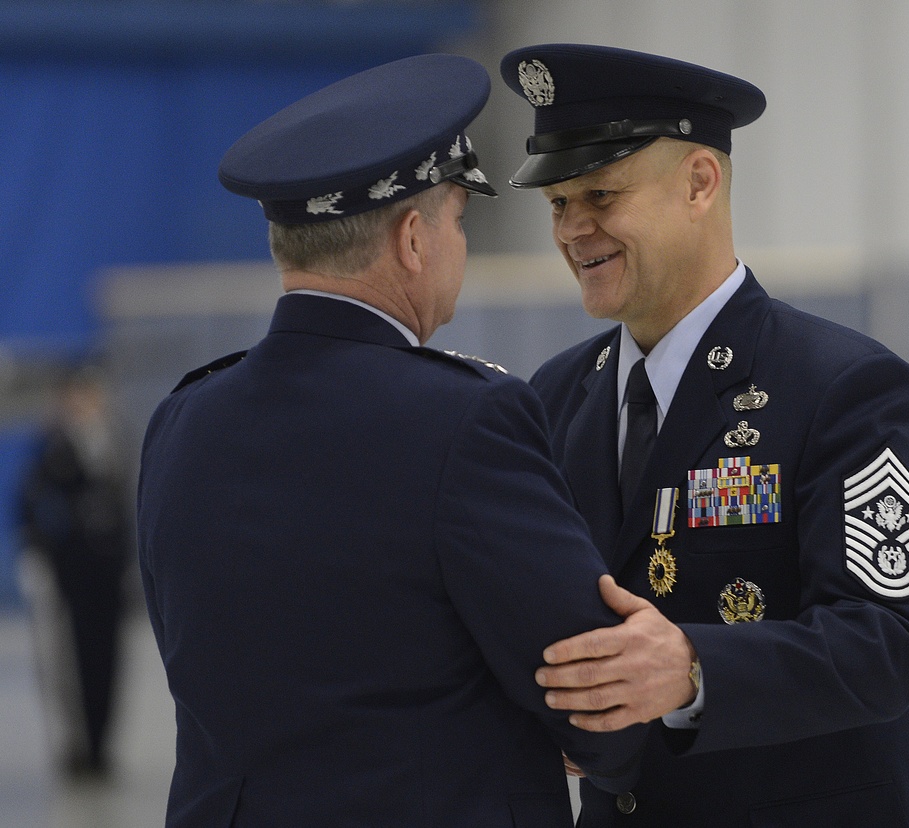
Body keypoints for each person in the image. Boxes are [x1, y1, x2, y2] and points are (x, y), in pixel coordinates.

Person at [136, 53, 647, 827]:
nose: (458, 247)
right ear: (414, 238)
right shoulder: (467, 421)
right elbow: (597, 697)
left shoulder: (182, 421)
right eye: (458, 222)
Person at [500, 43, 909, 826]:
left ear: (699, 183)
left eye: (600, 194)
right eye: (558, 204)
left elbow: (888, 639)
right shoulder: (555, 397)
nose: (574, 229)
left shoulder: (843, 387)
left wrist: (696, 669)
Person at [17, 361, 133, 781]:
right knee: (70, 661)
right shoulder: (52, 444)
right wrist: (35, 551)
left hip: (110, 570)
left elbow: (126, 503)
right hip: (72, 569)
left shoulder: (115, 439)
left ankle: (103, 746)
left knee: (109, 660)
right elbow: (31, 500)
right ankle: (77, 746)